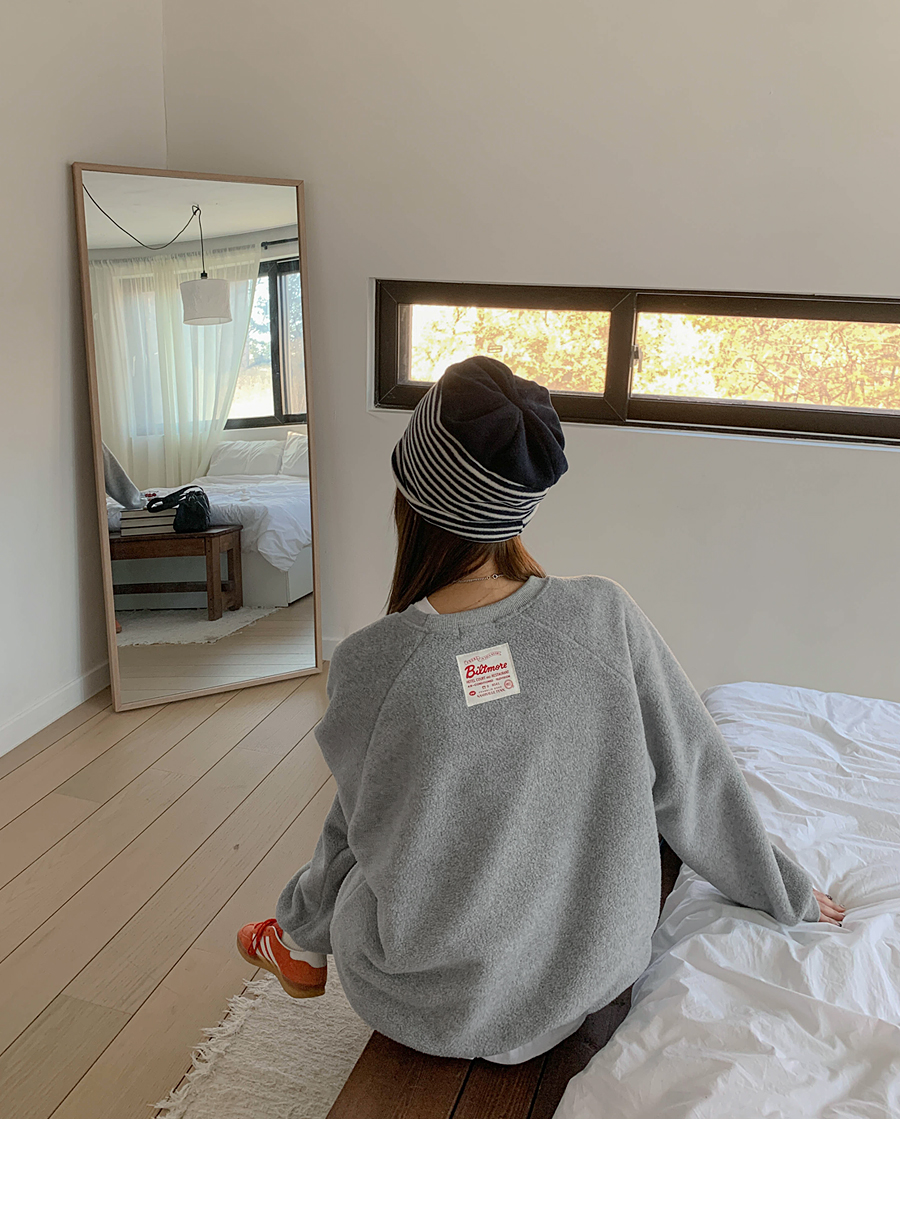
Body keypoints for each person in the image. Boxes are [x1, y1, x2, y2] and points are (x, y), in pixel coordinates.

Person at [237, 355, 846, 1065]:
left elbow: (367, 830)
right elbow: (694, 772)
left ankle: (298, 935)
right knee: (384, 792)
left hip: (434, 1003)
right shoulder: (604, 614)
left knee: (362, 808)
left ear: (411, 492)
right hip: (591, 970)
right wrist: (785, 891)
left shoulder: (371, 660)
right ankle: (300, 931)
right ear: (520, 504)